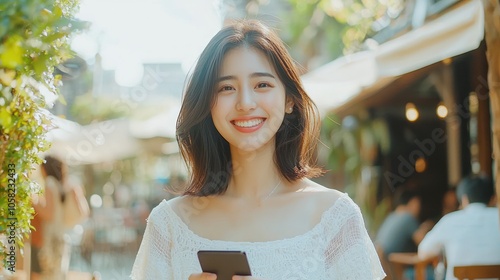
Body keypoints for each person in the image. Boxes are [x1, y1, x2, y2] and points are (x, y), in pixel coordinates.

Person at [130, 19, 385, 280]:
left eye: (262, 84)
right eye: (226, 88)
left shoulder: (334, 217)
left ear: (289, 100)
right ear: (208, 104)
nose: (245, 103)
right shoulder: (169, 224)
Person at [418, 174, 500, 280]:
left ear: (464, 199)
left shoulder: (450, 220)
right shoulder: (497, 216)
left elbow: (423, 252)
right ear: (493, 198)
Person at [375, 188, 434, 280]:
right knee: (434, 273)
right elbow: (425, 246)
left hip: (384, 271)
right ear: (413, 202)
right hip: (397, 273)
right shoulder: (408, 218)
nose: (420, 208)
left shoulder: (391, 216)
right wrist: (426, 229)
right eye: (418, 204)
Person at [31, 155, 72, 280]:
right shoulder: (60, 185)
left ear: (45, 167)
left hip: (50, 239)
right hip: (60, 236)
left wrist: (34, 201)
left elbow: (49, 214)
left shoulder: (49, 183)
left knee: (47, 275)